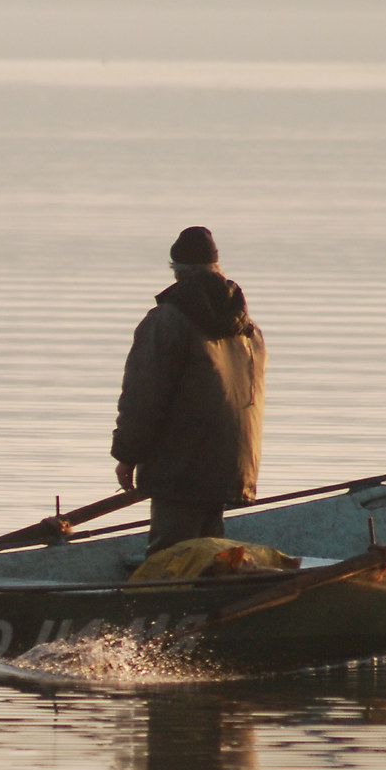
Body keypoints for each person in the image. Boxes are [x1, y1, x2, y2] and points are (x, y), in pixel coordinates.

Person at [109, 226, 267, 554]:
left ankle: (170, 591)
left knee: (172, 558)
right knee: (209, 556)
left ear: (177, 271)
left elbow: (143, 397)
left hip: (180, 470)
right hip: (232, 466)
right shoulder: (248, 329)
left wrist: (126, 455)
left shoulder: (167, 321)